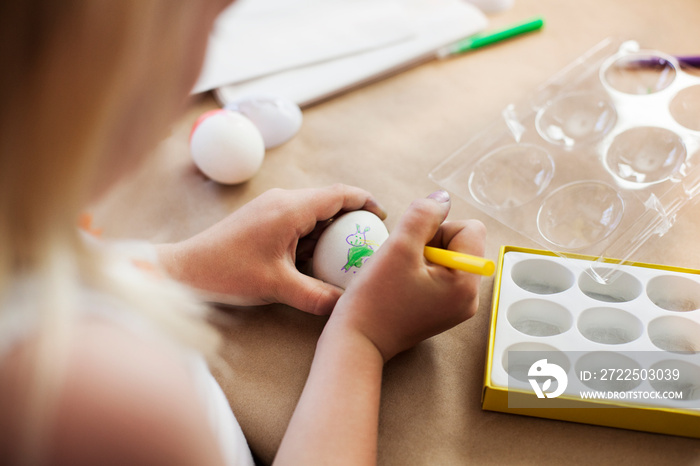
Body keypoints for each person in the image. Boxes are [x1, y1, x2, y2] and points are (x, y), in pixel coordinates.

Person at [0, 1, 487, 464]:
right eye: (203, 30)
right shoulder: (96, 397)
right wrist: (362, 340)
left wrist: (185, 266)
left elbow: (46, 273)